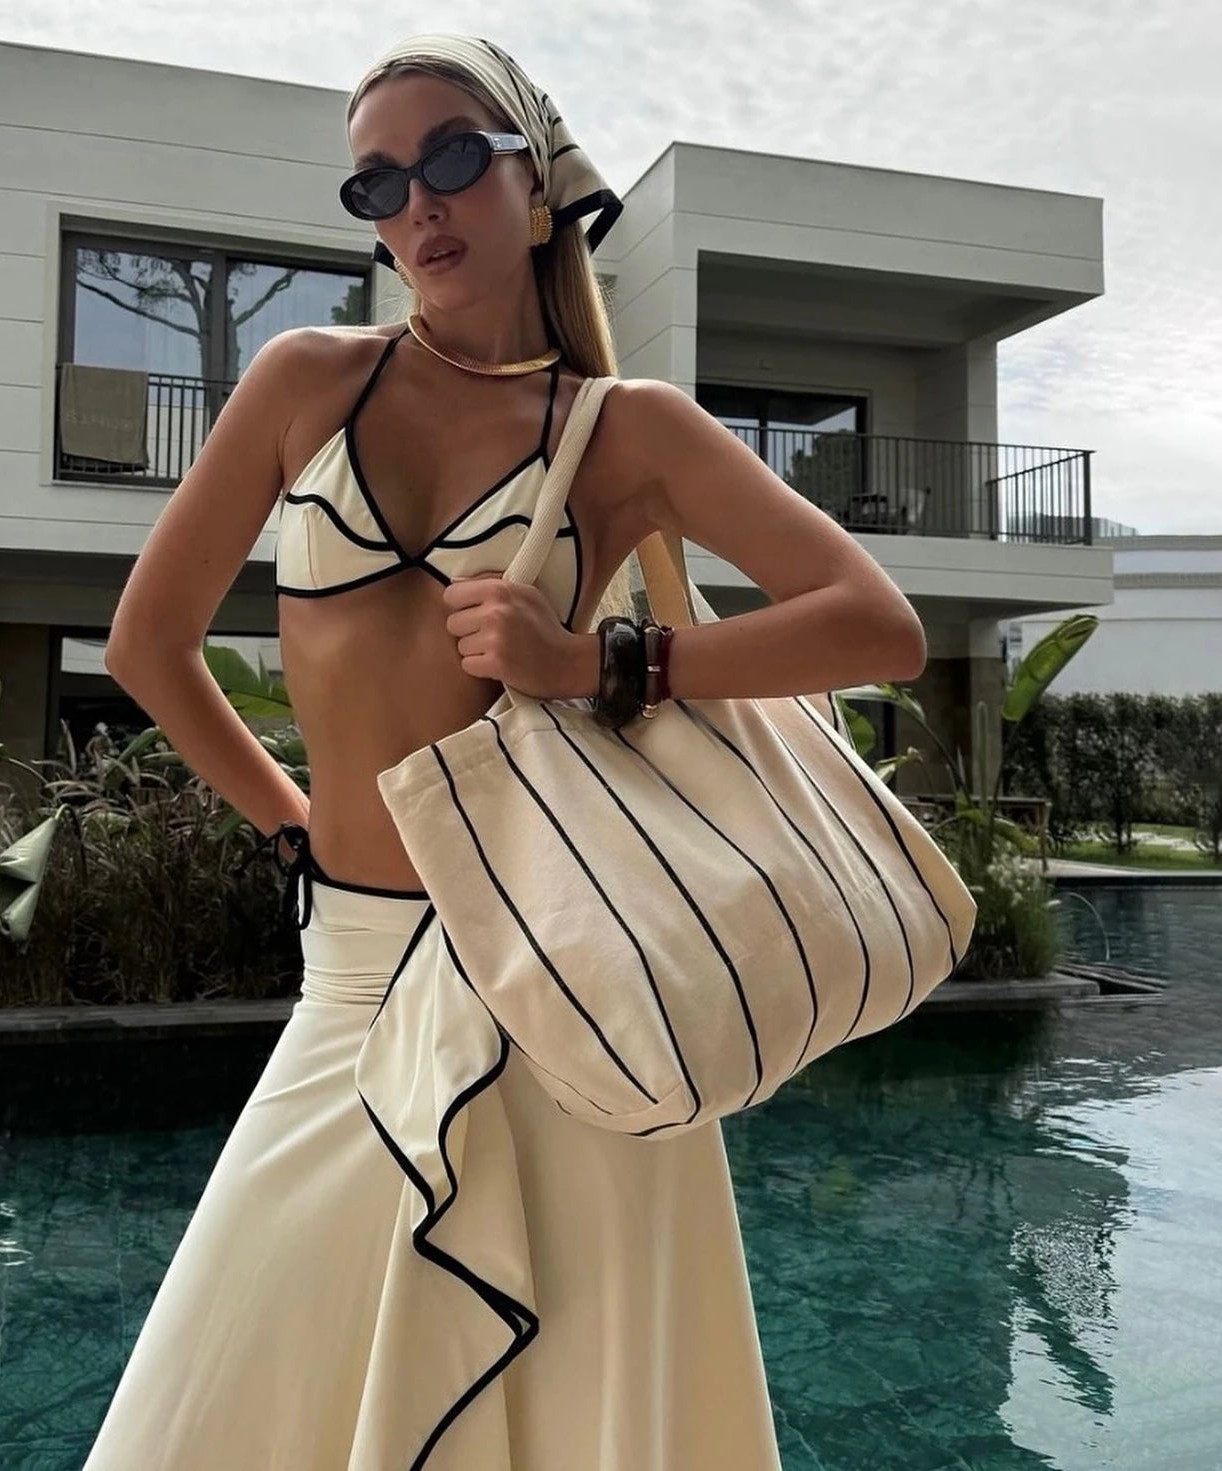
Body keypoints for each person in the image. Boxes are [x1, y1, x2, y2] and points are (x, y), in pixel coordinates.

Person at [84, 31, 927, 1471]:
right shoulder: (303, 382)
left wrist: (603, 663)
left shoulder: (627, 430)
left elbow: (879, 627)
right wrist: (293, 827)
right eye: (379, 183)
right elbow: (146, 648)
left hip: (566, 980)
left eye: (455, 157)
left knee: (582, 1416)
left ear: (540, 184)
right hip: (357, 972)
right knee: (218, 1404)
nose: (420, 202)